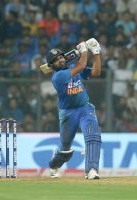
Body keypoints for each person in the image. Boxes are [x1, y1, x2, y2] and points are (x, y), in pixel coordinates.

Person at [45, 38, 102, 179]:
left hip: (84, 109)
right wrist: (83, 49)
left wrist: (96, 53)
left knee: (93, 137)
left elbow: (96, 72)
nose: (60, 60)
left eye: (60, 57)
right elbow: (81, 65)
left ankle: (92, 170)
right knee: (65, 150)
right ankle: (54, 165)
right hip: (68, 114)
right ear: (52, 66)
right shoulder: (58, 77)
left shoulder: (72, 69)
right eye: (56, 60)